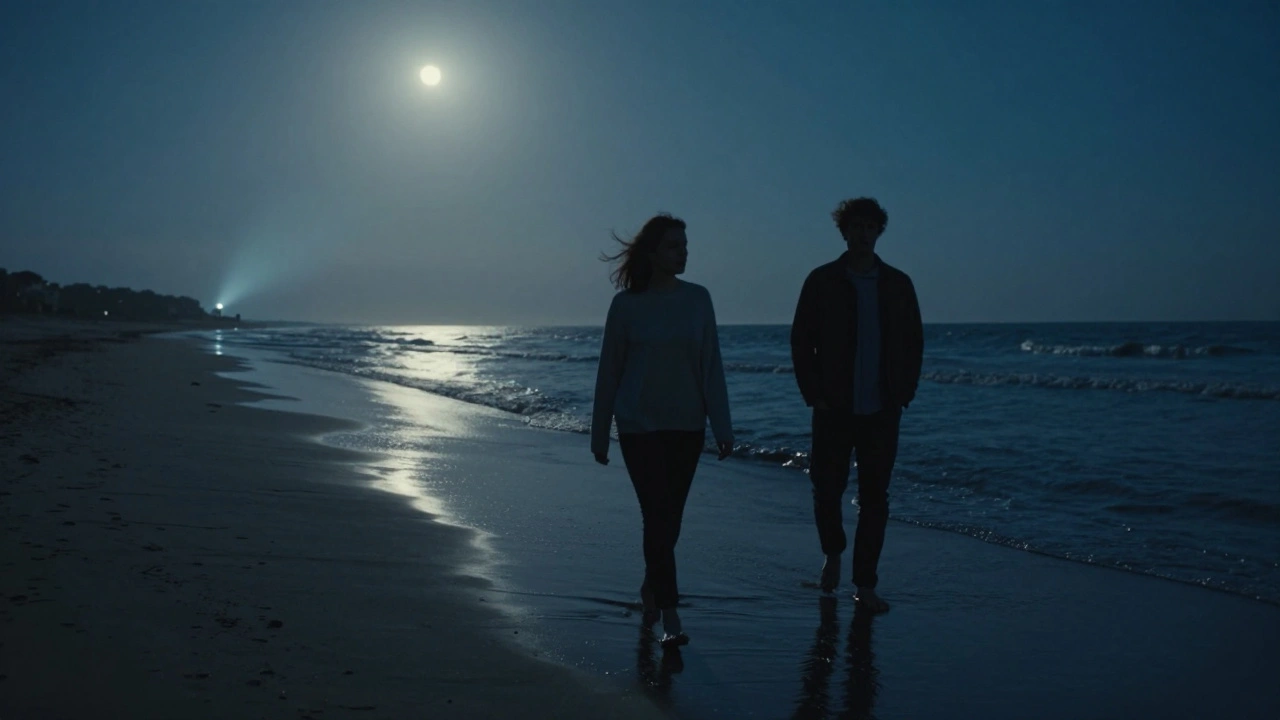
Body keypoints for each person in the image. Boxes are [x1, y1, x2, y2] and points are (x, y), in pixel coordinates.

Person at [591, 212, 734, 646]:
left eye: (685, 246)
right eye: (674, 246)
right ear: (652, 253)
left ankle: (652, 586)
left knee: (669, 521)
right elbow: (609, 371)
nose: (682, 253)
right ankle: (670, 612)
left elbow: (711, 366)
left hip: (687, 425)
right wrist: (599, 433)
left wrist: (722, 425)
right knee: (656, 514)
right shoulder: (626, 306)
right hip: (638, 425)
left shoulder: (699, 299)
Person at [790, 197, 923, 613]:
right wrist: (815, 394)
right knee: (826, 491)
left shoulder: (898, 283)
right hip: (833, 407)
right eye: (856, 226)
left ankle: (865, 584)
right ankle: (833, 552)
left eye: (871, 226)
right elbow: (800, 341)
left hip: (882, 408)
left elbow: (914, 342)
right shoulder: (822, 280)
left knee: (875, 498)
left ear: (879, 232)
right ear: (844, 231)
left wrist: (903, 393)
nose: (864, 233)